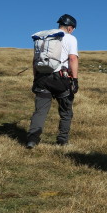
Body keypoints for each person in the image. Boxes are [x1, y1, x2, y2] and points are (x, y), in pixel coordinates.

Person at [26, 14, 79, 148]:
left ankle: (32, 140)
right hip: (61, 78)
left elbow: (35, 61)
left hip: (42, 78)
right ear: (70, 28)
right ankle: (62, 141)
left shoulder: (45, 37)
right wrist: (75, 79)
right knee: (66, 111)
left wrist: (35, 78)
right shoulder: (70, 38)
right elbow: (72, 59)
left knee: (40, 111)